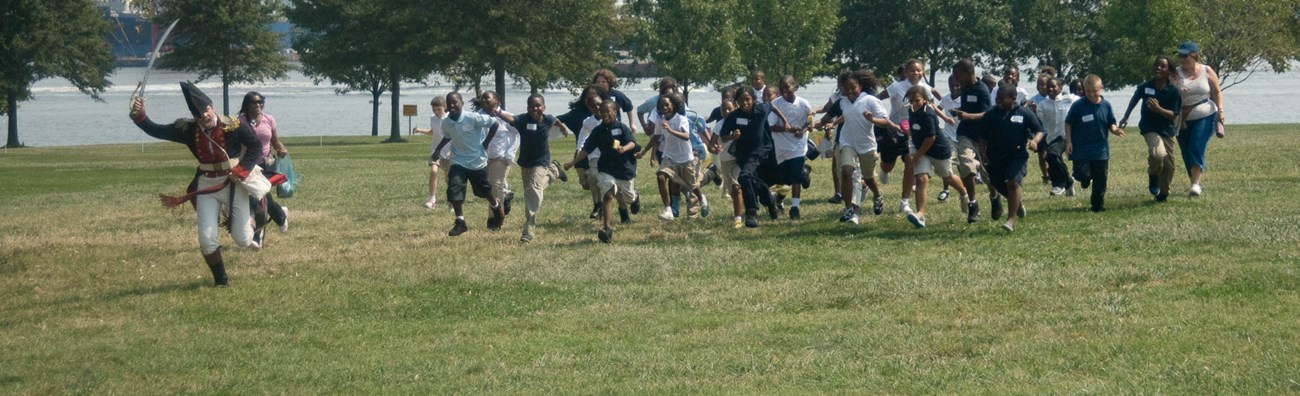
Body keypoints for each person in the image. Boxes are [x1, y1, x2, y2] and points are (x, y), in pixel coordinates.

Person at [129, 82, 264, 287]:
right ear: (195, 117)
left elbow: (255, 147)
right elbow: (155, 130)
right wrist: (140, 115)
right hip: (206, 185)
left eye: (207, 111)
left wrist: (242, 169)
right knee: (206, 238)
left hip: (233, 182)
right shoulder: (187, 129)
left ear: (212, 107)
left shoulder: (233, 125)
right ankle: (221, 281)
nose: (205, 117)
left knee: (243, 240)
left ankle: (256, 215)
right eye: (200, 115)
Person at [814, 69, 894, 226]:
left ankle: (877, 195)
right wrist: (814, 125)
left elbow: (885, 121)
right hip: (847, 142)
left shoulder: (870, 100)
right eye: (846, 88)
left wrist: (873, 119)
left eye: (853, 88)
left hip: (866, 145)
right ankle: (848, 208)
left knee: (868, 177)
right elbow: (834, 116)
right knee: (846, 171)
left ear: (860, 86)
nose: (849, 91)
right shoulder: (843, 102)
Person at [493, 94, 570, 242]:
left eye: (538, 105)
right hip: (526, 162)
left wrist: (562, 127)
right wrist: (497, 112)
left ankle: (529, 229)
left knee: (533, 190)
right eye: (531, 106)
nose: (535, 108)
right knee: (531, 189)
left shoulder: (548, 119)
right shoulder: (523, 120)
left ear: (544, 107)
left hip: (541, 162)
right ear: (527, 107)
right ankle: (554, 172)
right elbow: (510, 119)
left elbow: (556, 120)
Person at [564, 100, 640, 243]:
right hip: (606, 168)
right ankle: (606, 228)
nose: (604, 115)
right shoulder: (597, 131)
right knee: (608, 195)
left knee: (629, 198)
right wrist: (573, 162)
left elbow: (633, 143)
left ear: (614, 112)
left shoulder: (622, 128)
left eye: (607, 112)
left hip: (624, 169)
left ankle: (635, 198)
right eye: (602, 112)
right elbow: (586, 149)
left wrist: (624, 148)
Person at [978, 85, 1045, 232]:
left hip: (1017, 155)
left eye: (1002, 99)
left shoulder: (1024, 112)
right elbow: (982, 137)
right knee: (998, 184)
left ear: (1013, 99)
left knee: (1013, 182)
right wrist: (983, 154)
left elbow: (1039, 130)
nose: (998, 101)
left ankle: (1011, 220)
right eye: (997, 98)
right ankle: (1017, 202)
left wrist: (1034, 141)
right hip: (995, 157)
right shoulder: (991, 115)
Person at [905, 85, 973, 228]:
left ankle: (964, 193)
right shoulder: (910, 110)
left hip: (939, 151)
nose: (914, 103)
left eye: (917, 100)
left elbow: (930, 138)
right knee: (921, 178)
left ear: (924, 100)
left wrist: (916, 156)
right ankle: (920, 215)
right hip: (921, 150)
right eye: (911, 100)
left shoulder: (927, 113)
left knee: (947, 177)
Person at [878, 59, 941, 214]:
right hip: (894, 130)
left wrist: (944, 118)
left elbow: (932, 105)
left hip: (913, 133)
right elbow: (876, 99)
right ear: (905, 73)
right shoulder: (896, 87)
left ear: (923, 72)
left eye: (919, 70)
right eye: (912, 71)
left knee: (910, 162)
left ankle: (904, 202)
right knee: (888, 164)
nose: (916, 73)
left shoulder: (925, 88)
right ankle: (884, 170)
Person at [720, 89, 790, 228]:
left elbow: (772, 106)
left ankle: (751, 212)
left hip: (761, 151)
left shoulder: (761, 109)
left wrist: (785, 121)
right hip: (743, 154)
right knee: (752, 180)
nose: (745, 103)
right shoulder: (734, 116)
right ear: (737, 102)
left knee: (744, 177)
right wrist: (732, 136)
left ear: (753, 99)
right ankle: (770, 202)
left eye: (747, 99)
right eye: (741, 100)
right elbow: (723, 136)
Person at [1120, 56, 1183, 202]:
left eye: (1163, 66)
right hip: (1149, 128)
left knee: (1169, 166)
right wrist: (1125, 117)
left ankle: (1163, 194)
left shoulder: (1174, 91)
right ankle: (1153, 175)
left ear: (1169, 71)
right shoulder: (1145, 87)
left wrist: (1158, 109)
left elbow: (1173, 116)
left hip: (1167, 129)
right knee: (1158, 154)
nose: (1158, 68)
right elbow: (1134, 100)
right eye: (1157, 65)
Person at [438, 92, 502, 236]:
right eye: (450, 103)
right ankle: (460, 222)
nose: (453, 105)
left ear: (462, 103)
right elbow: (448, 136)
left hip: (477, 162)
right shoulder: (446, 122)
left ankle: (496, 205)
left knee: (482, 192)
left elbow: (495, 123)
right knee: (454, 188)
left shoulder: (472, 118)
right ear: (446, 106)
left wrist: (485, 143)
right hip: (458, 160)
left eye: (456, 102)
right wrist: (437, 150)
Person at [1066, 75, 1125, 212]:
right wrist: (1068, 141)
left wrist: (1115, 130)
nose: (1091, 94)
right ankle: (1085, 179)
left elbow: (1111, 122)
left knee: (1100, 178)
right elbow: (1068, 122)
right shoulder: (1078, 105)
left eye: (1095, 91)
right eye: (1088, 92)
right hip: (1081, 149)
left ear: (1101, 88)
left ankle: (1097, 205)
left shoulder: (1106, 105)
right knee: (1082, 174)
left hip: (1100, 150)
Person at [237, 91, 289, 249]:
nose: (259, 105)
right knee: (260, 198)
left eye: (261, 102)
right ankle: (280, 214)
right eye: (254, 102)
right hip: (248, 167)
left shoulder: (269, 120)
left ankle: (257, 238)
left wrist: (281, 149)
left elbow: (275, 141)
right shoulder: (239, 122)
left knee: (260, 199)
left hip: (266, 165)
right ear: (247, 105)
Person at [1174, 41, 1225, 197]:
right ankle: (1193, 183)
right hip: (1182, 119)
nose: (1182, 59)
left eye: (1185, 55)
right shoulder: (1175, 73)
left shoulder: (1206, 70)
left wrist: (1220, 111)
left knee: (1195, 146)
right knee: (1186, 151)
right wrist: (1176, 88)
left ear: (1194, 55)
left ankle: (1196, 185)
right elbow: (1169, 94)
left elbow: (1216, 92)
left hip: (1205, 114)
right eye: (1180, 55)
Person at [561, 85, 616, 219]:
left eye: (598, 105)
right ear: (589, 108)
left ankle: (624, 206)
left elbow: (618, 137)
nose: (596, 108)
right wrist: (578, 149)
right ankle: (598, 204)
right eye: (592, 106)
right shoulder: (588, 122)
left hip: (610, 156)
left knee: (615, 185)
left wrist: (618, 149)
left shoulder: (611, 119)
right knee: (592, 176)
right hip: (594, 156)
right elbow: (582, 137)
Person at [642, 93, 699, 220]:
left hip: (685, 157)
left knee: (691, 187)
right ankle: (668, 210)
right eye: (661, 106)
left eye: (667, 105)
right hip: (669, 156)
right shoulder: (661, 120)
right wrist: (644, 152)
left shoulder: (681, 119)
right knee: (661, 176)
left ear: (673, 105)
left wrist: (670, 130)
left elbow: (686, 136)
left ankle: (694, 212)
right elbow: (655, 137)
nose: (664, 108)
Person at [950, 59, 993, 223]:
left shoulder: (982, 90)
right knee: (967, 166)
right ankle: (973, 204)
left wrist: (968, 116)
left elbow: (987, 115)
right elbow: (968, 109)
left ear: (969, 73)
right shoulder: (965, 88)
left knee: (987, 174)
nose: (955, 79)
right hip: (965, 134)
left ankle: (994, 196)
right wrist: (960, 112)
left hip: (982, 137)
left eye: (958, 75)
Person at [767, 76, 815, 219]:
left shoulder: (803, 104)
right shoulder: (775, 104)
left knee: (794, 178)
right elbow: (771, 126)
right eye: (782, 88)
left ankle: (795, 208)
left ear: (794, 86)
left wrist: (803, 130)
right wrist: (786, 129)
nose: (785, 90)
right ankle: (804, 172)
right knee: (784, 178)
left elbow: (809, 121)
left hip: (798, 146)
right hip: (781, 146)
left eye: (787, 87)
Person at [476, 91, 517, 222]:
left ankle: (495, 219)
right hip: (483, 158)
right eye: (482, 100)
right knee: (483, 188)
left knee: (495, 186)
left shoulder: (507, 117)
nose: (484, 101)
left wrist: (510, 154)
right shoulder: (476, 117)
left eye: (487, 99)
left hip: (501, 157)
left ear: (497, 101)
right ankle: (505, 196)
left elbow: (517, 135)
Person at [1035, 77, 1078, 196]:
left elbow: (1084, 104)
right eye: (1048, 87)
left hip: (1067, 136)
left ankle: (1058, 185)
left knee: (1052, 155)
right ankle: (1068, 182)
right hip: (1052, 138)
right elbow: (1040, 124)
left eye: (1054, 86)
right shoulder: (1043, 105)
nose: (1051, 89)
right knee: (1052, 158)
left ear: (1060, 87)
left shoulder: (1070, 99)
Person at [708, 99, 744, 228]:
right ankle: (742, 209)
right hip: (725, 160)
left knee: (736, 186)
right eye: (724, 110)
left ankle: (738, 219)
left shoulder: (741, 121)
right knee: (733, 192)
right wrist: (715, 149)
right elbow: (711, 145)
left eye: (730, 109)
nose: (727, 112)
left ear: (735, 108)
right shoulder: (719, 125)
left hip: (740, 159)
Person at [414, 96, 450, 209]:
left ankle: (451, 199)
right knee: (433, 171)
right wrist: (419, 130)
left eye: (438, 109)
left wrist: (452, 151)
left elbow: (454, 136)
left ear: (445, 107)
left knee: (448, 178)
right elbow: (433, 132)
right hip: (436, 150)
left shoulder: (450, 119)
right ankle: (432, 199)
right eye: (434, 110)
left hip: (449, 151)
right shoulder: (432, 118)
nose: (436, 112)